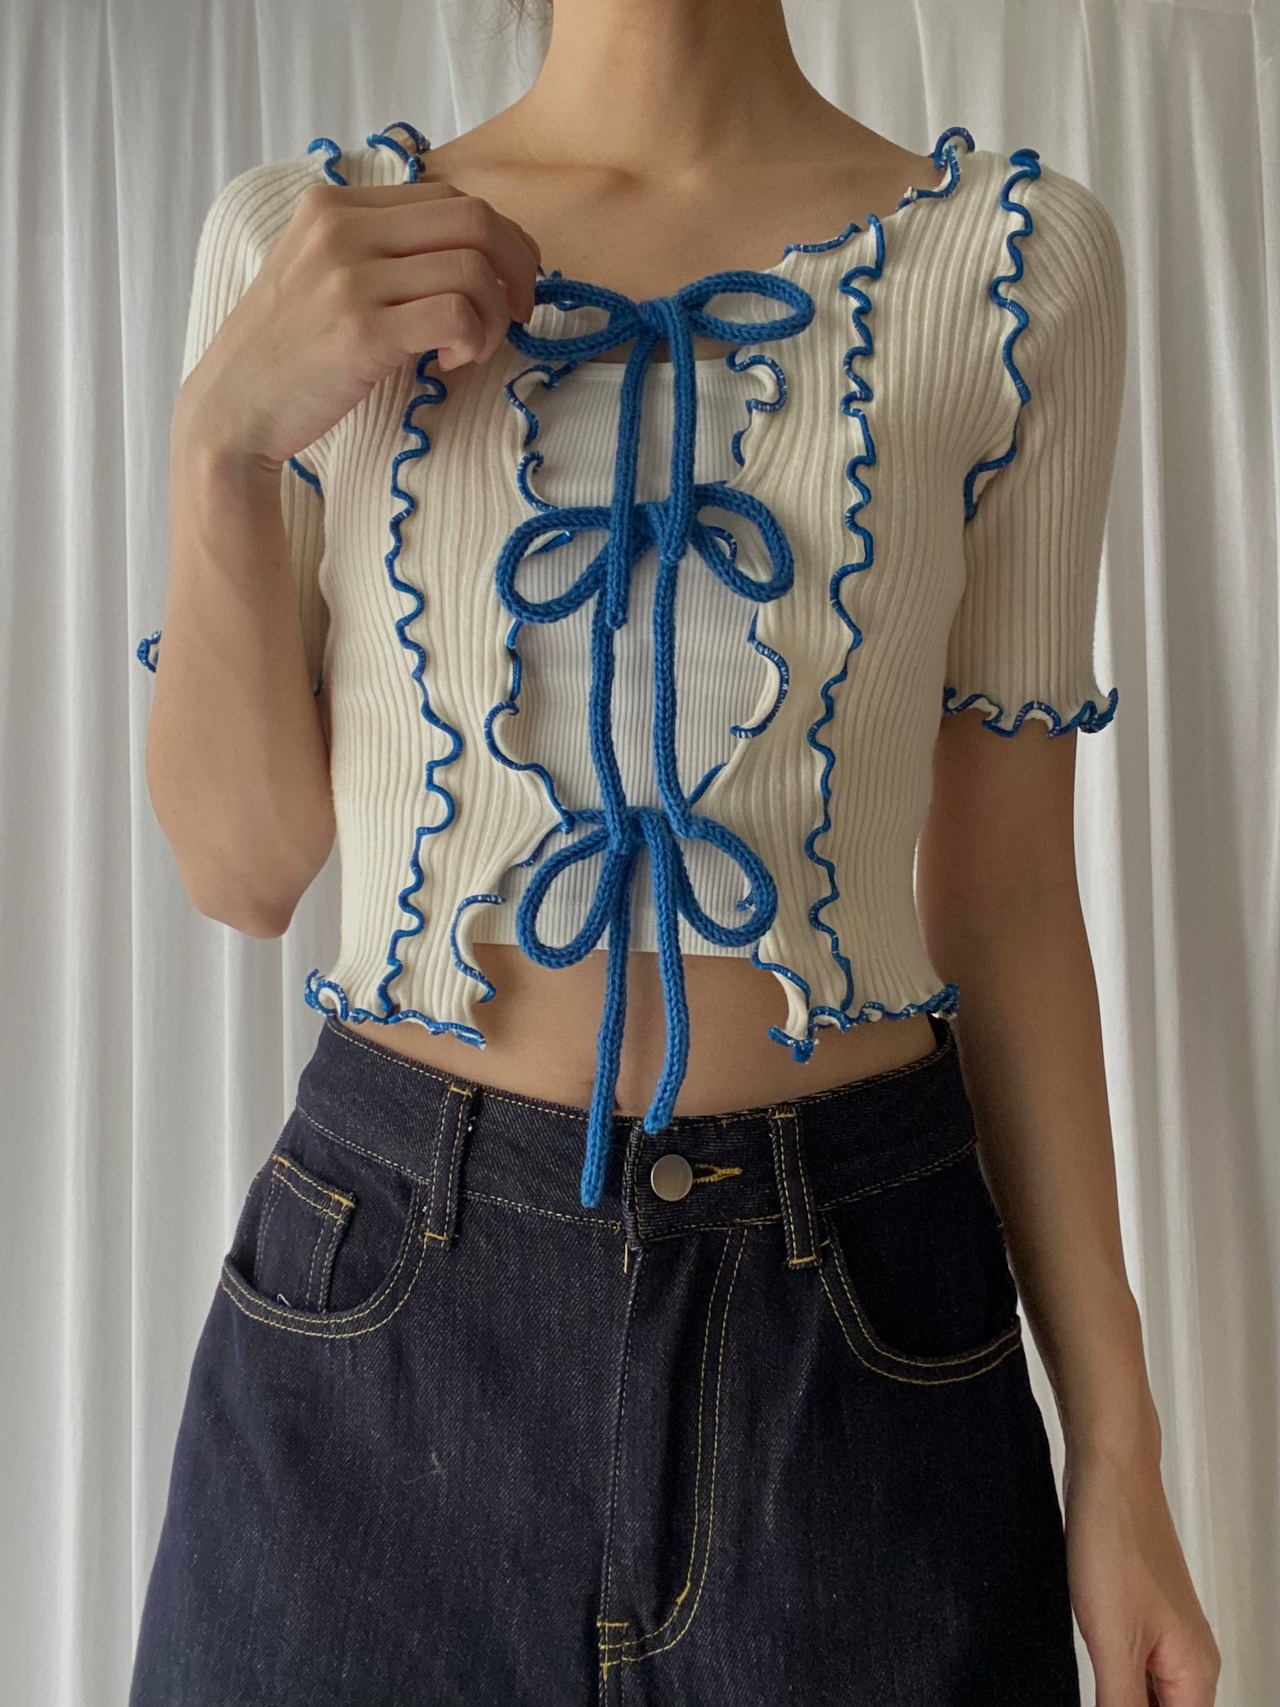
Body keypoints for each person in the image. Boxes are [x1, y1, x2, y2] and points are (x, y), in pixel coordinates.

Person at [129, 1, 1221, 1702]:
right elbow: (242, 869)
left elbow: (1009, 904)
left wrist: (1122, 1453)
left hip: (859, 1343)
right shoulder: (309, 241)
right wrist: (219, 446)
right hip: (380, 1335)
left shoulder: (1010, 264)